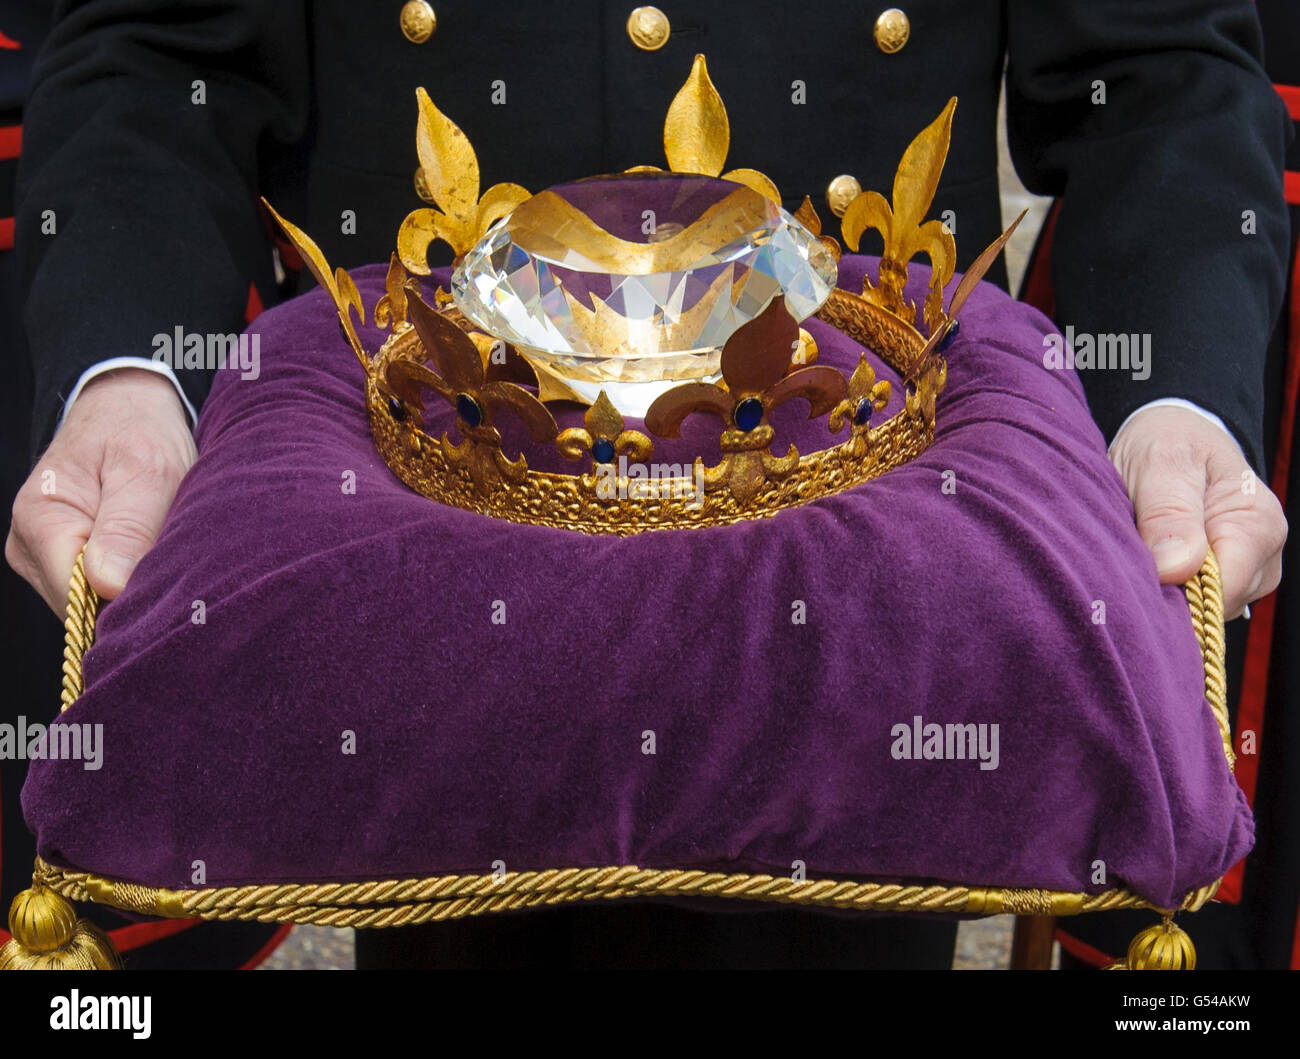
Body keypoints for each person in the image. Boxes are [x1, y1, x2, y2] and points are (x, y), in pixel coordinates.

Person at [5, 1, 1291, 968]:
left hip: (874, 584)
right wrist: (128, 372)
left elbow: (1156, 65)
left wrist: (1171, 401)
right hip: (405, 548)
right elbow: (159, 51)